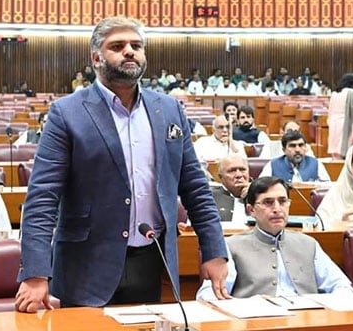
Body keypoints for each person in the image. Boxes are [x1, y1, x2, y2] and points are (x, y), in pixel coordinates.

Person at [14, 16, 228, 312]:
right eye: (118, 46)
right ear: (96, 58)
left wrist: (214, 251)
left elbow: (196, 188)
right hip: (86, 266)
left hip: (152, 261)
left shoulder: (168, 109)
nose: (129, 51)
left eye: (136, 45)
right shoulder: (67, 113)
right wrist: (36, 273)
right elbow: (42, 197)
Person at [196, 176, 352, 300]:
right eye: (268, 202)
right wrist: (246, 305)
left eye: (283, 201)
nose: (277, 209)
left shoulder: (308, 244)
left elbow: (342, 285)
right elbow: (207, 296)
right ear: (251, 210)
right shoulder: (231, 246)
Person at [259, 131, 330, 183]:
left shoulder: (316, 164)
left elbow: (326, 189)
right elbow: (261, 188)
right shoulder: (272, 165)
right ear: (284, 150)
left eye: (301, 145)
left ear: (305, 147)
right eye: (292, 146)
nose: (297, 150)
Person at [327, 73, 353, 160]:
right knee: (351, 155)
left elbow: (330, 112)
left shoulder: (334, 95)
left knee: (336, 155)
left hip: (334, 126)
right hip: (349, 126)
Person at [211, 156, 250, 225]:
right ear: (220, 177)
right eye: (232, 171)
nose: (239, 175)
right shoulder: (210, 197)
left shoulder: (260, 194)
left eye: (242, 170)